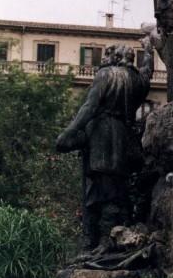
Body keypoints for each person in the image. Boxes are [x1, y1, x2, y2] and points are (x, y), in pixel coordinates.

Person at [56, 36, 154, 251]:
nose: (104, 59)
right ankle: (111, 237)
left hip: (101, 136)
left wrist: (70, 131)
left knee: (97, 191)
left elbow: (89, 107)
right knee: (117, 189)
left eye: (107, 55)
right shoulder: (136, 80)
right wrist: (148, 51)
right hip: (124, 137)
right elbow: (147, 73)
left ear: (115, 58)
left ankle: (96, 242)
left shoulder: (106, 75)